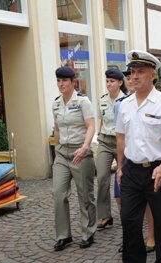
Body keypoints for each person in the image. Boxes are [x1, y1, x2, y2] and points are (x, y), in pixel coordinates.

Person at [116, 50, 161, 263]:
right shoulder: (125, 104)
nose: (134, 76)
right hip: (132, 170)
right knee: (129, 220)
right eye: (132, 72)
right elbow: (121, 137)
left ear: (153, 75)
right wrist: (120, 166)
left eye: (140, 72)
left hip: (156, 170)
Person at [52, 66, 97, 251]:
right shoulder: (55, 103)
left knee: (85, 195)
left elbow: (91, 126)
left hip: (80, 153)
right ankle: (64, 236)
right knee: (58, 194)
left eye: (64, 81)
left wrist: (85, 147)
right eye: (58, 81)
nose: (61, 84)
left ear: (73, 82)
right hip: (62, 153)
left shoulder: (83, 102)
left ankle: (88, 233)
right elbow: (56, 128)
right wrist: (56, 149)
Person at [96, 69, 126, 230]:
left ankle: (128, 210)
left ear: (120, 83)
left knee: (124, 179)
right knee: (101, 178)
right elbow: (101, 122)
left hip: (122, 141)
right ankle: (105, 215)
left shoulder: (127, 100)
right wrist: (99, 138)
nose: (109, 84)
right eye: (107, 81)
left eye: (112, 81)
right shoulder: (102, 100)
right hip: (105, 141)